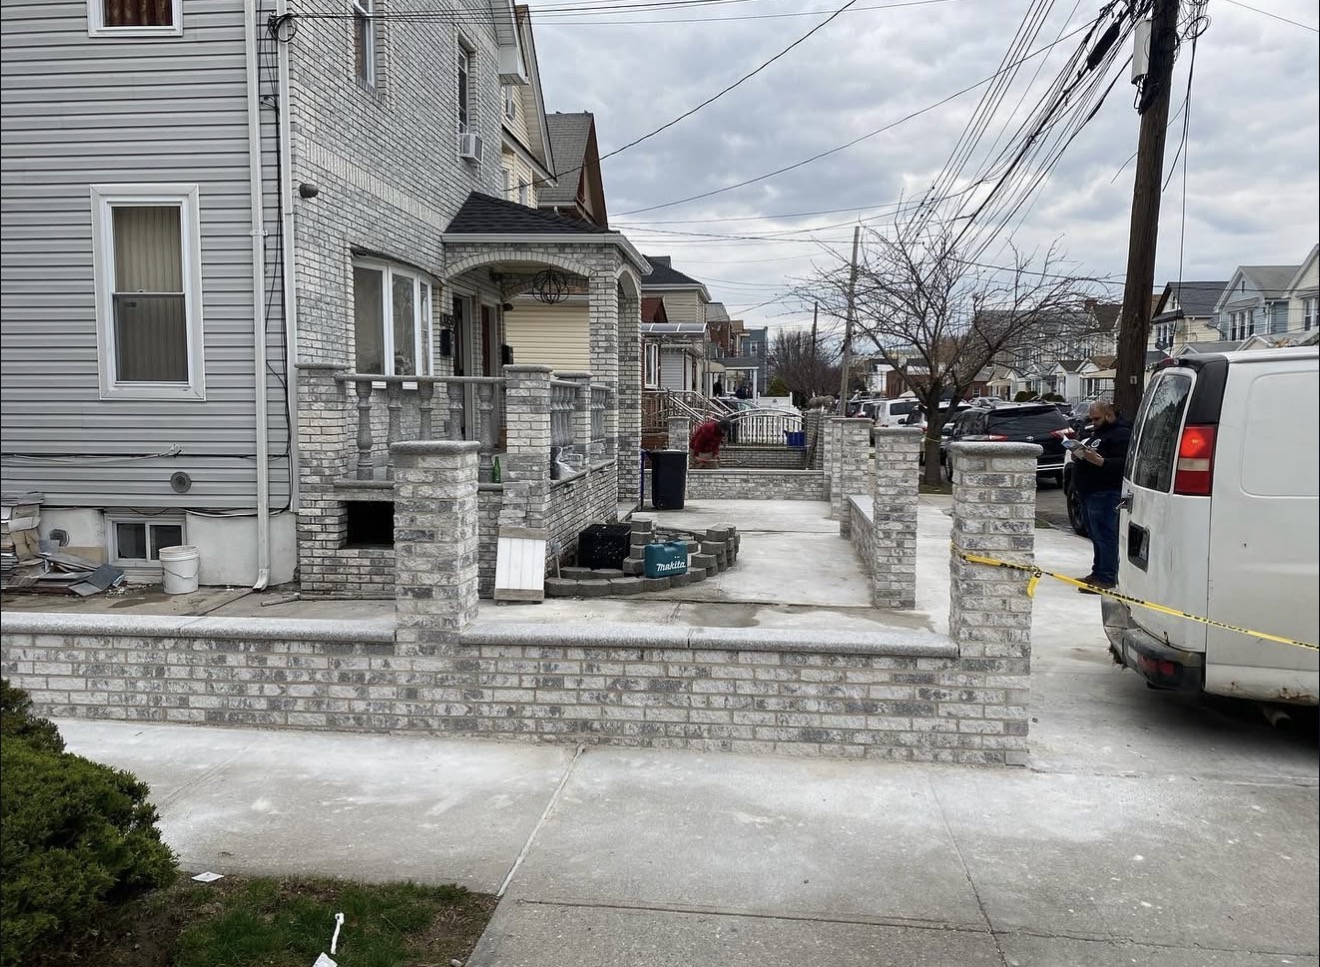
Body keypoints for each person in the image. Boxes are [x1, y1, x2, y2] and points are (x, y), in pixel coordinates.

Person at [1067, 399, 1131, 593]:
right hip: (1088, 491)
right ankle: (1097, 572)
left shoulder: (1121, 434)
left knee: (1105, 536)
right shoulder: (1096, 433)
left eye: (1096, 418)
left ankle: (1106, 577)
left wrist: (1100, 461)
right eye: (1091, 418)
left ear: (1109, 415)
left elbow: (1123, 463)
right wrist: (1078, 454)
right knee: (1095, 535)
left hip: (1105, 491)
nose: (1093, 422)